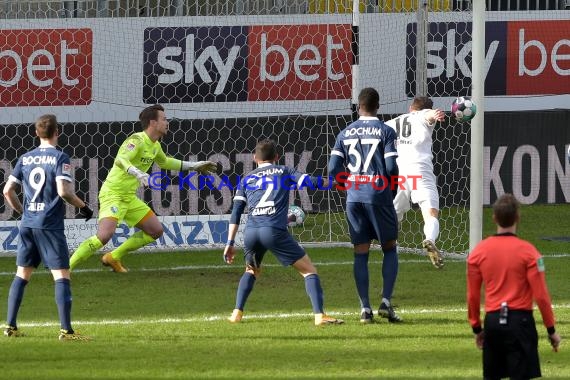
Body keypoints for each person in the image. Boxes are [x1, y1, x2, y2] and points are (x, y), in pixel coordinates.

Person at [69, 104, 217, 272]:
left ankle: (113, 257)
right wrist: (136, 172)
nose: (167, 122)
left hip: (129, 197)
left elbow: (165, 162)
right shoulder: (136, 140)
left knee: (155, 231)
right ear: (153, 123)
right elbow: (120, 159)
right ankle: (65, 269)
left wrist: (195, 165)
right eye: (164, 119)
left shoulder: (155, 145)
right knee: (104, 236)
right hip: (113, 194)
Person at [223, 139, 343, 326]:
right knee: (309, 270)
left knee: (251, 270)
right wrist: (334, 183)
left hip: (252, 232)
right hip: (273, 231)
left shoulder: (246, 180)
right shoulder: (284, 171)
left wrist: (230, 243)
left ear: (255, 158)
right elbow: (310, 182)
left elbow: (236, 211)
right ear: (277, 157)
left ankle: (236, 313)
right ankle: (320, 316)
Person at [3, 114, 93, 340]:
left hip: (27, 224)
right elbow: (64, 192)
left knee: (22, 274)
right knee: (62, 275)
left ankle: (10, 327)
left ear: (36, 133)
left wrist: (22, 212)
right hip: (49, 226)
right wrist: (84, 207)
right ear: (57, 133)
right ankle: (66, 331)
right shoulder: (60, 156)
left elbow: (7, 191)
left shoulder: (25, 158)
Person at [467, 193, 561, 379]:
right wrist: (551, 330)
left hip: (493, 322)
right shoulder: (530, 253)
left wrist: (477, 329)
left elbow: (472, 296)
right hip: (521, 324)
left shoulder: (478, 252)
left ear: (494, 218)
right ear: (518, 217)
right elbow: (541, 296)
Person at [328, 87, 401, 324]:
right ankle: (386, 303)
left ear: (359, 107)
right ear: (378, 106)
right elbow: (391, 169)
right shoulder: (386, 131)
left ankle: (365, 310)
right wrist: (390, 191)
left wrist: (347, 186)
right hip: (378, 194)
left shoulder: (344, 133)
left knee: (361, 252)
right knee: (389, 248)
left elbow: (332, 170)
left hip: (354, 197)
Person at [385, 96, 445, 269]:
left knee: (394, 214)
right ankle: (430, 240)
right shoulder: (423, 114)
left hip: (398, 171)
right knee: (430, 212)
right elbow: (429, 115)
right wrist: (436, 114)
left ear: (411, 107)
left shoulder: (394, 121)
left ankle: (390, 251)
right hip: (419, 169)